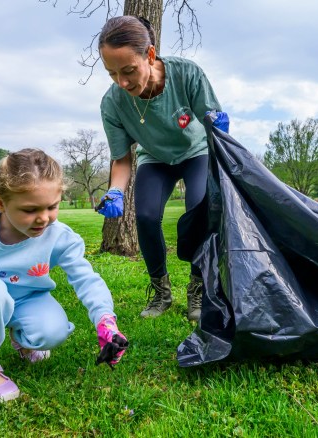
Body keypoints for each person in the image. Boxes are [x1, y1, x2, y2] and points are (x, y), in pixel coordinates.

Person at [0, 149, 128, 403]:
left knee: (53, 332)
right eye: (29, 209)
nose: (43, 218)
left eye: (52, 206)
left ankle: (22, 339)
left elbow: (85, 278)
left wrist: (105, 318)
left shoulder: (59, 236)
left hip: (28, 297)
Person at [95, 16, 229, 322]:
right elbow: (121, 158)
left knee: (200, 210)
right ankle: (160, 291)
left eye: (129, 70)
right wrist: (115, 191)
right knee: (145, 215)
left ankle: (198, 287)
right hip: (154, 158)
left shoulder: (186, 73)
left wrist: (218, 126)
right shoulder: (113, 103)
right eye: (112, 73)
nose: (122, 82)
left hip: (196, 152)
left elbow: (213, 123)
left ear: (150, 55)